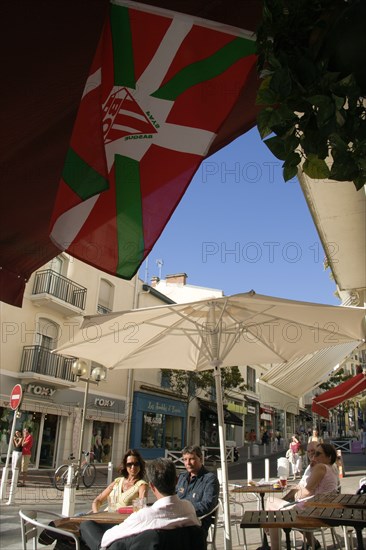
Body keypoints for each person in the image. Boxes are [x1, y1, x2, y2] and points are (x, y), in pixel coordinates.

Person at [80, 458, 201, 550]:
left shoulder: (145, 515)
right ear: (176, 481)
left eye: (136, 464)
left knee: (86, 524)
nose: (132, 467)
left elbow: (106, 540)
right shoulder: (188, 508)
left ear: (152, 487)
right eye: (129, 465)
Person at [267, 443, 338, 550]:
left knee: (270, 502)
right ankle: (313, 544)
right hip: (323, 512)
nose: (314, 456)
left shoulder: (320, 467)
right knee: (275, 512)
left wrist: (296, 494)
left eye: (318, 454)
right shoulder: (331, 469)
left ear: (329, 457)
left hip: (312, 515)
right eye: (313, 453)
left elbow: (307, 492)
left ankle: (272, 543)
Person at [176, 445, 220, 535]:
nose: (188, 463)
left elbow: (207, 504)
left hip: (198, 523)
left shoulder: (209, 479)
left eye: (191, 459)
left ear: (201, 459)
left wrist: (184, 510)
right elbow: (174, 497)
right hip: (178, 519)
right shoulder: (182, 477)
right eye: (185, 459)